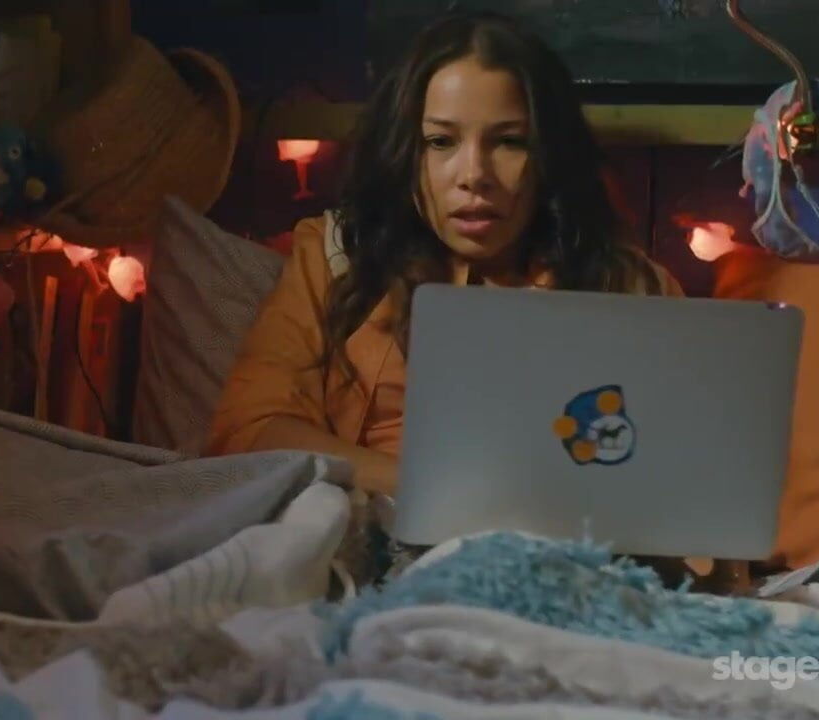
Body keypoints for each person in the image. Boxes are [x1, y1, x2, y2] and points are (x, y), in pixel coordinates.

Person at [206, 11, 684, 497]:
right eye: (440, 142)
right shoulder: (338, 255)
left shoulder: (627, 285)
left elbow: (693, 458)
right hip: (373, 518)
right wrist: (440, 493)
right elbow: (250, 433)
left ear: (548, 155)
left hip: (572, 529)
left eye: (509, 142)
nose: (473, 174)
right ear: (405, 151)